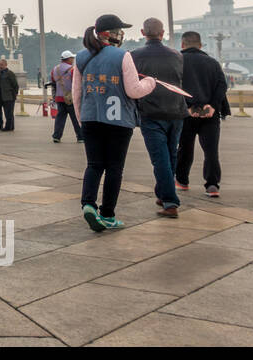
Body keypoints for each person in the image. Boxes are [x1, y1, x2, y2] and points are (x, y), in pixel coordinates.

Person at [73, 14, 157, 232]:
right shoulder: (122, 56)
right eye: (120, 31)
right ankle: (108, 214)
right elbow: (133, 91)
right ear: (109, 34)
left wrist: (83, 120)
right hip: (119, 121)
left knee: (93, 165)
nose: (122, 34)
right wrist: (150, 82)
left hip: (91, 118)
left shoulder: (81, 57)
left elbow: (77, 94)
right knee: (114, 168)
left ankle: (88, 204)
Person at [130, 18, 188, 219]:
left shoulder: (134, 56)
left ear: (142, 32)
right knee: (170, 154)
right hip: (176, 110)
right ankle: (163, 193)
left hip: (151, 112)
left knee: (160, 158)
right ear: (162, 33)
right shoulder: (176, 55)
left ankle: (170, 202)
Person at [177, 31, 229, 198]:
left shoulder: (177, 60)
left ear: (182, 44)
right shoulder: (212, 62)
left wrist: (188, 107)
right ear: (200, 45)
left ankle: (182, 180)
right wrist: (212, 106)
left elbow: (173, 85)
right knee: (211, 151)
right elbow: (221, 85)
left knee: (185, 148)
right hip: (210, 115)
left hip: (186, 113)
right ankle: (212, 185)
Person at [50, 50, 84, 143]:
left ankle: (56, 136)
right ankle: (80, 136)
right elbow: (77, 83)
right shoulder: (72, 69)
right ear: (68, 59)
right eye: (72, 58)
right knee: (75, 118)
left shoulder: (55, 69)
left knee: (60, 117)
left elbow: (53, 82)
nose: (73, 60)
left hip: (59, 98)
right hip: (70, 98)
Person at [0, 60, 19, 131]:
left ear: (6, 65)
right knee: (7, 112)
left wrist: (14, 94)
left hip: (9, 96)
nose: (0, 66)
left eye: (2, 65)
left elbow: (15, 85)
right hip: (1, 96)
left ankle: (8, 127)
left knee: (8, 112)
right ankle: (11, 126)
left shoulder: (10, 73)